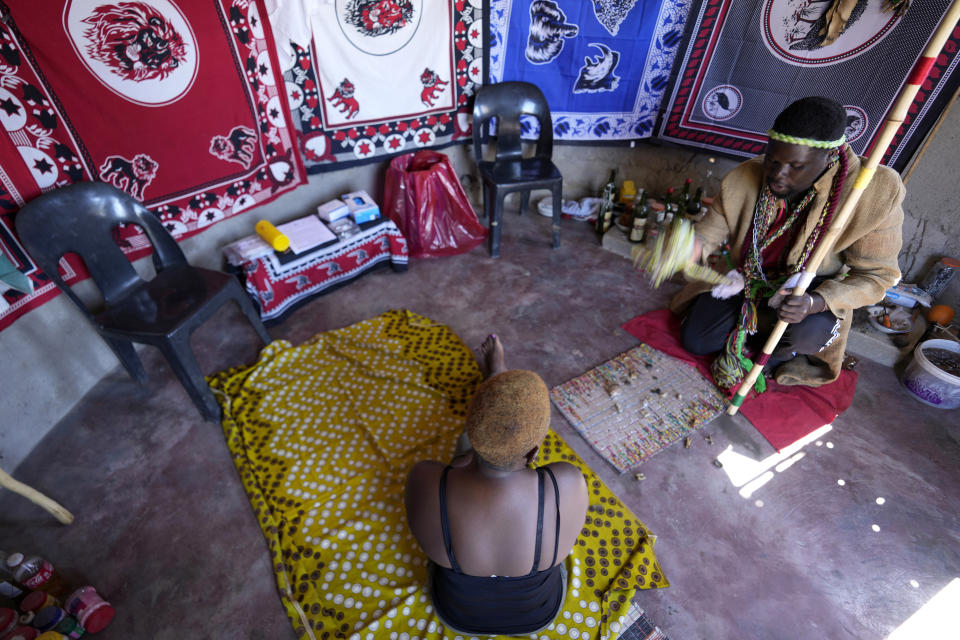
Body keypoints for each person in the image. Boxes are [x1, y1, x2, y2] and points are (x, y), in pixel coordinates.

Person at [673, 96, 905, 388]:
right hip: (745, 280)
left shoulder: (874, 191)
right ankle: (755, 332)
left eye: (795, 166)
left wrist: (816, 302)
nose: (778, 175)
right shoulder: (745, 177)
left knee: (805, 333)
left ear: (829, 157)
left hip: (807, 299)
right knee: (696, 340)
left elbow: (878, 276)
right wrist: (693, 246)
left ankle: (780, 351)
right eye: (773, 160)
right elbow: (709, 231)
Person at [404, 334, 588, 636]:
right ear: (534, 453)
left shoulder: (425, 480)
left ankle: (495, 378)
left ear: (472, 437)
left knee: (458, 468)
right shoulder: (566, 483)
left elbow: (459, 467)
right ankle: (497, 374)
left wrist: (462, 464)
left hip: (455, 615)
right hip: (541, 614)